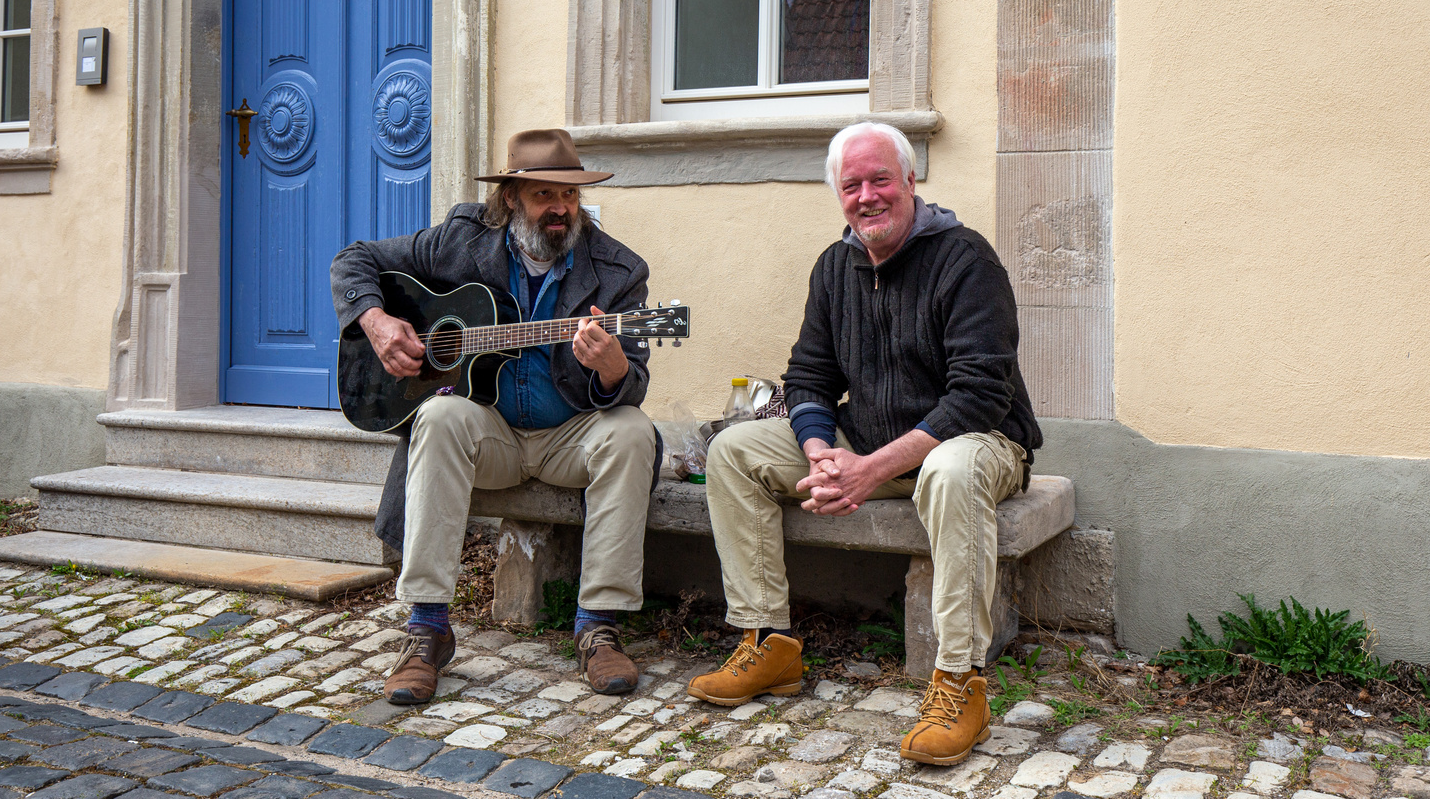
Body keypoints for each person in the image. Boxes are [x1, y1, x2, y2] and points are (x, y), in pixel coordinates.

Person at [686, 122, 1042, 766]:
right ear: (839, 194)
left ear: (911, 181)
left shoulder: (966, 259)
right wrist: (822, 449)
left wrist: (870, 469)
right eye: (852, 185)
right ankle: (768, 643)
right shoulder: (835, 266)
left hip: (977, 442)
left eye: (881, 179)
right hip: (867, 439)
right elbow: (810, 376)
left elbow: (980, 395)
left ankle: (960, 682)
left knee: (952, 471)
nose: (868, 195)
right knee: (733, 452)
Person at [331, 128, 659, 703]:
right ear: (511, 197)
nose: (560, 209)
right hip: (493, 435)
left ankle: (598, 625)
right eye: (544, 195)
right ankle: (427, 628)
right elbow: (354, 259)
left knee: (633, 431)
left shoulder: (618, 270)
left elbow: (632, 381)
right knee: (437, 418)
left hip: (568, 437)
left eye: (571, 197)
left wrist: (610, 367)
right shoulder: (460, 243)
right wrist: (377, 321)